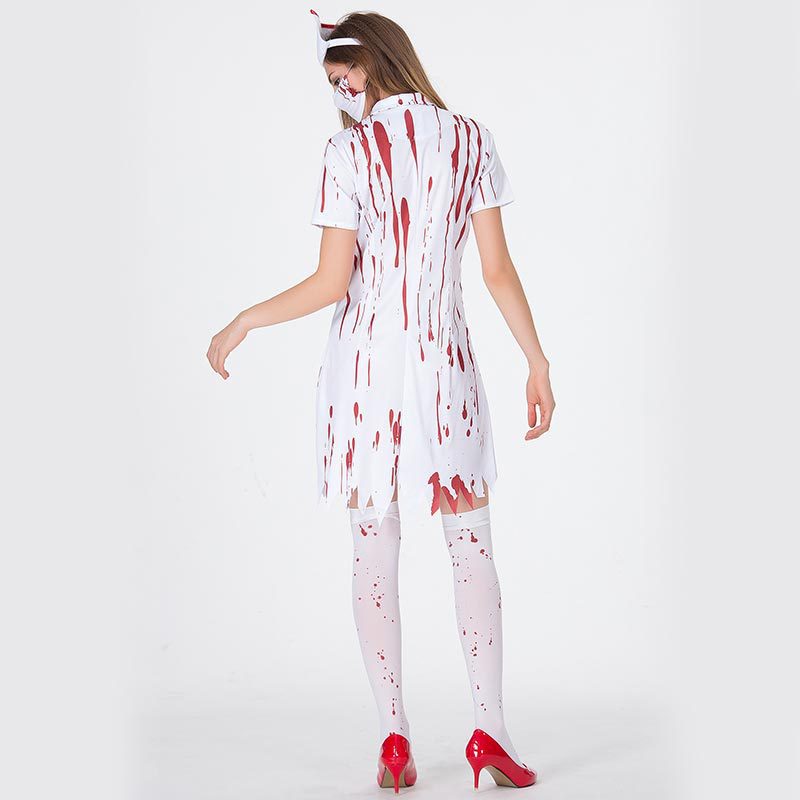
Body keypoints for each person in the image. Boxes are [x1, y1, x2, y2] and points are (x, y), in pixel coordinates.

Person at [206, 9, 555, 793]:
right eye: (333, 83)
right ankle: (490, 732)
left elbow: (333, 283)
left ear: (370, 64)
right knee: (471, 544)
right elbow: (496, 271)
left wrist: (246, 319)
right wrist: (535, 360)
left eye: (343, 78)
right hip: (445, 369)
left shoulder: (348, 153)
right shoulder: (470, 139)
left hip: (363, 377)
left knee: (373, 549)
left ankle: (394, 739)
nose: (342, 93)